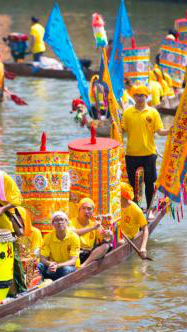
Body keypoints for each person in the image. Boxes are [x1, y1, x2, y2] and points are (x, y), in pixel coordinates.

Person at [120, 83, 169, 217]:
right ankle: (135, 210)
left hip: (149, 154)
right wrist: (114, 123)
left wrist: (171, 130)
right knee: (133, 185)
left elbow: (160, 131)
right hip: (131, 154)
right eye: (137, 95)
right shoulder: (128, 112)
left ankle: (149, 209)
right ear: (133, 97)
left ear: (146, 97)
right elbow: (121, 130)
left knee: (149, 183)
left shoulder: (153, 112)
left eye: (142, 95)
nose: (140, 98)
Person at [69, 198, 112, 267]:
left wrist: (108, 234)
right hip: (74, 253)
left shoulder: (94, 224)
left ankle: (84, 265)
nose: (86, 211)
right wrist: (92, 228)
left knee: (106, 246)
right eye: (83, 208)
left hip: (88, 254)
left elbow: (105, 238)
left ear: (92, 212)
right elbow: (74, 233)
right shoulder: (71, 222)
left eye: (89, 209)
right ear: (79, 210)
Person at [38, 212, 80, 280]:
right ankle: (40, 284)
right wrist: (50, 264)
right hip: (53, 266)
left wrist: (57, 265)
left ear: (66, 222)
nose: (60, 222)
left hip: (67, 267)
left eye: (62, 219)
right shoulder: (47, 237)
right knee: (39, 266)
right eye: (56, 220)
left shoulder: (74, 237)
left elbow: (73, 261)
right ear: (52, 224)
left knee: (65, 269)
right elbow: (42, 258)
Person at [118, 182, 149, 258]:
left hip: (128, 237)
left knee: (119, 242)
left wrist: (143, 247)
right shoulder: (115, 206)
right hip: (117, 235)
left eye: (117, 195)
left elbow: (145, 229)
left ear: (123, 196)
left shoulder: (136, 210)